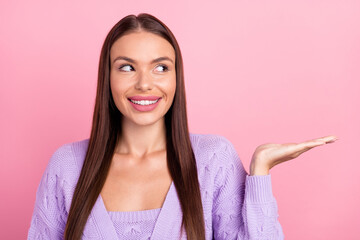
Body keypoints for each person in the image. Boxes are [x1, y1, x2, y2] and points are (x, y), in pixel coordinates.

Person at [27, 13, 338, 240]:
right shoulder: (66, 166)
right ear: (107, 78)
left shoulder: (213, 159)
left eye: (161, 67)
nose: (145, 83)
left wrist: (259, 172)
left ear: (177, 77)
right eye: (126, 67)